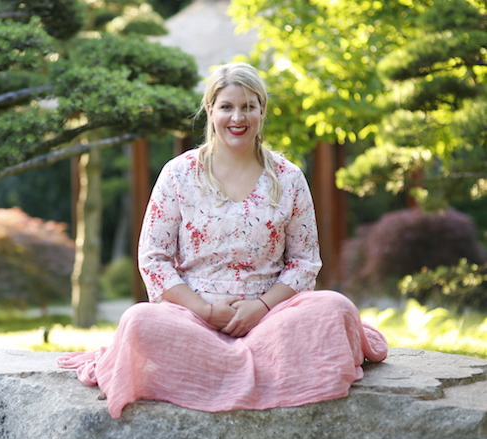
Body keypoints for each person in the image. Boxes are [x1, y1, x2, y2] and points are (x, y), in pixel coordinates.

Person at [58, 62, 388, 419]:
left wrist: (260, 307)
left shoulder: (289, 178)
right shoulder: (179, 173)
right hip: (192, 318)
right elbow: (153, 258)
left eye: (248, 106)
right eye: (227, 106)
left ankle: (216, 372)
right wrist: (205, 310)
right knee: (139, 321)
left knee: (335, 309)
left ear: (262, 111)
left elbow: (304, 263)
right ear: (210, 110)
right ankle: (256, 371)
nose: (238, 117)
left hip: (271, 318)